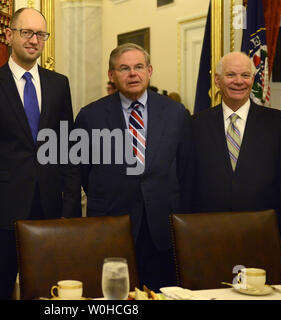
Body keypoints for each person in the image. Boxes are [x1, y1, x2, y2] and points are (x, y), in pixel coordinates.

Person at [0, 7, 81, 300]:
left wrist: (69, 209)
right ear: (9, 35)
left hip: (49, 210)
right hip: (1, 212)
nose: (34, 40)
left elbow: (66, 147)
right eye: (26, 32)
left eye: (40, 34)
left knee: (50, 290)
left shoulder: (59, 84)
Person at [74, 43, 194, 292]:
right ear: (111, 75)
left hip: (162, 228)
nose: (133, 74)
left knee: (161, 294)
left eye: (139, 67)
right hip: (111, 224)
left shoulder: (176, 113)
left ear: (149, 71)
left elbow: (186, 169)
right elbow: (83, 171)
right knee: (112, 297)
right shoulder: (90, 116)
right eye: (124, 68)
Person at [192, 51, 281, 267]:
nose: (238, 81)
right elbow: (188, 181)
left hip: (264, 237)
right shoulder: (195, 124)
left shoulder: (279, 124)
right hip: (207, 237)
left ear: (253, 80)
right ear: (217, 80)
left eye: (245, 75)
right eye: (230, 75)